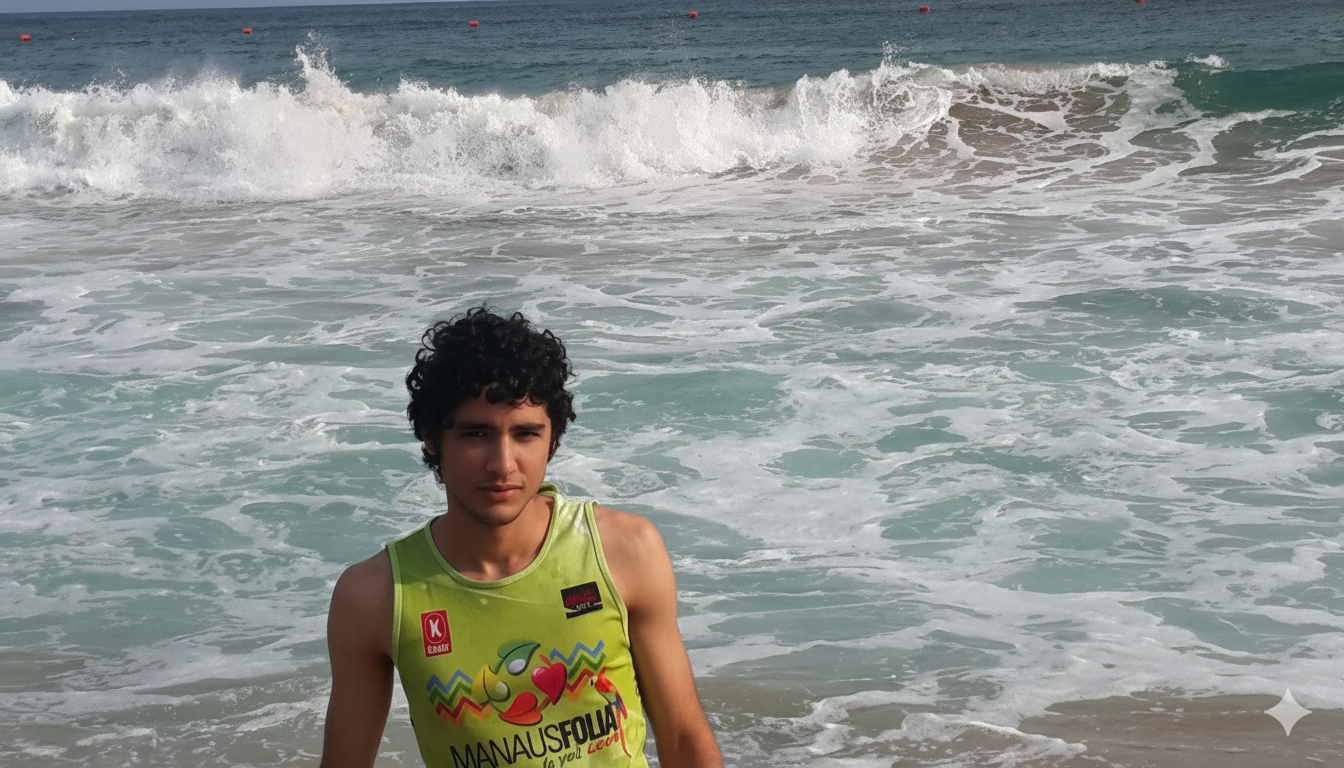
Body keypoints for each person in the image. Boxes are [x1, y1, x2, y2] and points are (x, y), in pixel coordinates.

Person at [318, 308, 722, 768]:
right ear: (431, 437)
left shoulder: (623, 550)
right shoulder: (377, 597)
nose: (503, 463)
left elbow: (683, 738)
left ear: (553, 439)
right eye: (476, 434)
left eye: (526, 434)